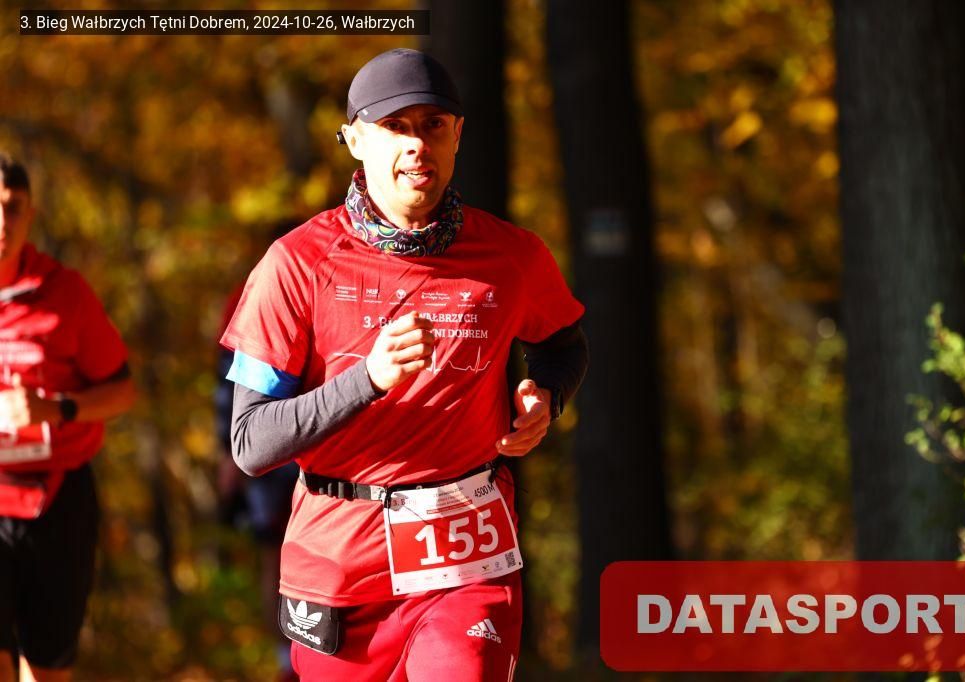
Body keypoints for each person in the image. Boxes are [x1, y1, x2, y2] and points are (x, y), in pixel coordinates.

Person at [221, 48, 588, 680]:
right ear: (355, 140)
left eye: (432, 125)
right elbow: (252, 443)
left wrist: (546, 395)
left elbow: (563, 343)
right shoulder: (295, 264)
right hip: (338, 562)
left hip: (465, 558)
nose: (417, 144)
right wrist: (366, 380)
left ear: (457, 136)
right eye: (395, 126)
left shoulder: (512, 255)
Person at [0, 153, 137, 682]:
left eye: (14, 207)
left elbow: (123, 392)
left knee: (46, 671)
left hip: (58, 502)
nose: (3, 221)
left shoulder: (65, 294)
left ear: (31, 215)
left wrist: (56, 409)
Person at [214, 221, 300, 682]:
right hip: (264, 452)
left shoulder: (331, 284)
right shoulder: (246, 298)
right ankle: (286, 659)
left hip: (315, 443)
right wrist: (228, 454)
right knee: (274, 553)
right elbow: (225, 385)